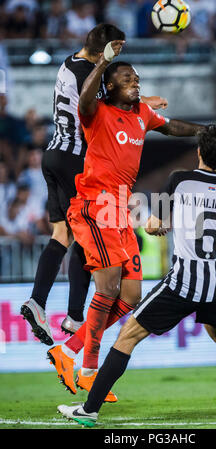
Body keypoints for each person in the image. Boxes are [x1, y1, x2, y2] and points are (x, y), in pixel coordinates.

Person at [47, 38, 216, 401]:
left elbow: (173, 128)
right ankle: (89, 370)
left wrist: (213, 131)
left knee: (131, 295)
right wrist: (104, 61)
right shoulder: (97, 112)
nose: (135, 81)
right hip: (96, 204)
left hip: (121, 209)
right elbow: (86, 97)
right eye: (127, 77)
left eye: (136, 77)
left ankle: (67, 350)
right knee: (106, 290)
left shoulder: (142, 114)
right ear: (110, 85)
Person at [56, 125, 216, 427]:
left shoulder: (180, 180)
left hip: (185, 280)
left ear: (199, 151)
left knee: (128, 333)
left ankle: (89, 410)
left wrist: (157, 226)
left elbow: (154, 223)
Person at [20, 24, 169, 347]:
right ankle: (75, 316)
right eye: (119, 49)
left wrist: (144, 99)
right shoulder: (93, 73)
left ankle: (37, 302)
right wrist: (142, 102)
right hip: (75, 159)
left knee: (61, 234)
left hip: (53, 153)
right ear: (107, 50)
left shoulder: (69, 63)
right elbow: (103, 104)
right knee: (89, 236)